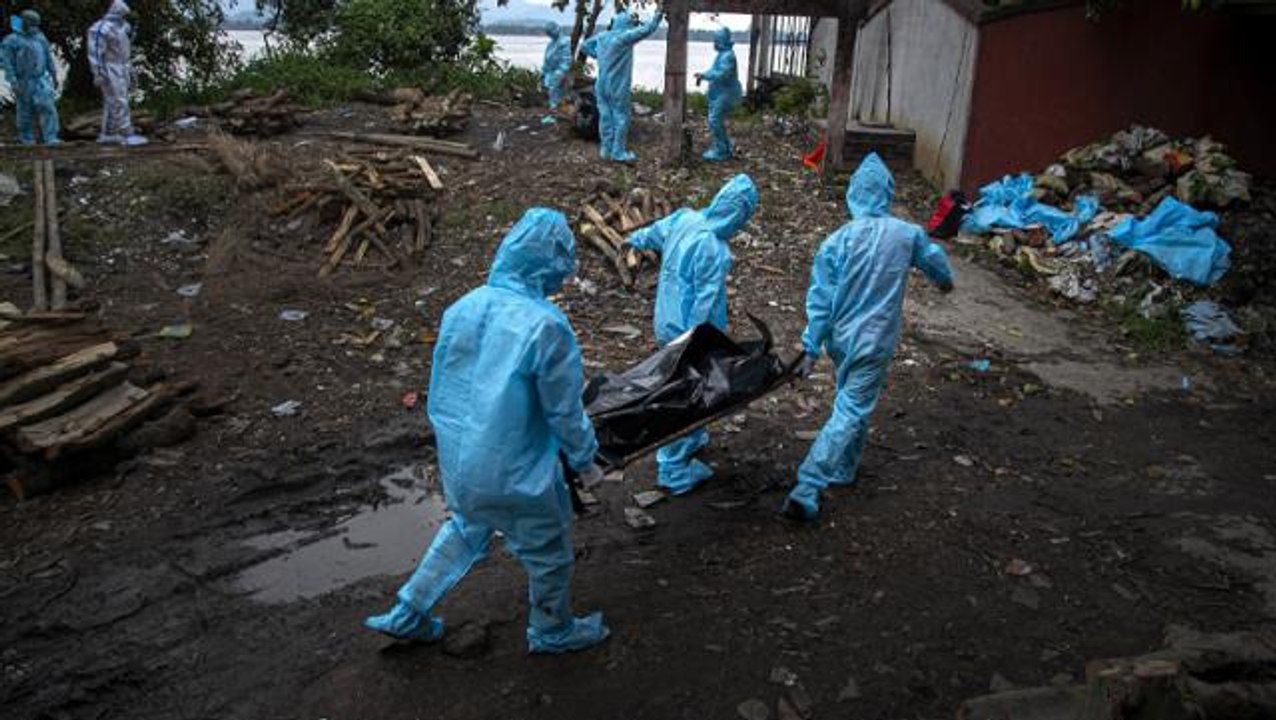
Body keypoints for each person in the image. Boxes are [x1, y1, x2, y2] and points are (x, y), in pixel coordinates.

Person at [365, 208, 610, 655]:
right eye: (563, 264)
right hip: (516, 471)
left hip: (460, 461)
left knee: (464, 529)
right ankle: (552, 630)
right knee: (547, 552)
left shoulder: (464, 306)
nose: (565, 275)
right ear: (548, 262)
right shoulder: (546, 326)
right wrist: (585, 459)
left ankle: (408, 611)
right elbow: (564, 412)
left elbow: (447, 387)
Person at [784, 153, 955, 522]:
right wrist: (944, 282)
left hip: (841, 340)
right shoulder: (906, 234)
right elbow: (936, 261)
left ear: (853, 194)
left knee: (853, 400)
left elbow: (820, 300)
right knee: (851, 407)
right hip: (875, 340)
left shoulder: (836, 241)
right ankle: (808, 485)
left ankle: (845, 467)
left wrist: (811, 348)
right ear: (887, 193)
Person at [626, 174, 759, 495]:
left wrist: (634, 241)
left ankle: (694, 437)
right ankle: (672, 468)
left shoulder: (686, 218)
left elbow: (654, 233)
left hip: (665, 321)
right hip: (690, 331)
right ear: (738, 215)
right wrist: (702, 342)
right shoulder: (714, 249)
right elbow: (705, 302)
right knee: (688, 394)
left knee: (679, 385)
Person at [580, 10, 662, 162]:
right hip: (617, 85)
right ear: (626, 25)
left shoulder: (602, 36)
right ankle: (618, 151)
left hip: (601, 84)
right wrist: (658, 15)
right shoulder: (624, 38)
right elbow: (648, 29)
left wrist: (597, 54)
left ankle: (605, 149)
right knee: (621, 116)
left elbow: (584, 46)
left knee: (605, 116)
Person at [88, 0, 147, 146]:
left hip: (122, 67)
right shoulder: (101, 28)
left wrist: (130, 69)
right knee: (119, 100)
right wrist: (98, 72)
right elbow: (95, 52)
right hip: (110, 67)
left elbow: (125, 49)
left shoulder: (122, 27)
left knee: (114, 101)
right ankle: (126, 133)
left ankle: (109, 132)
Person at [1, 10, 59, 145]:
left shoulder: (40, 37)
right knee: (24, 111)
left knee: (47, 106)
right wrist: (13, 81)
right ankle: (26, 139)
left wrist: (54, 74)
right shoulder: (11, 40)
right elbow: (7, 63)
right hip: (23, 80)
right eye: (32, 24)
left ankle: (51, 137)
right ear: (25, 23)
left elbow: (48, 57)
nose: (35, 28)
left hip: (41, 79)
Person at [695, 27, 742, 162]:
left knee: (714, 120)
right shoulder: (722, 54)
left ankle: (722, 151)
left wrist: (706, 76)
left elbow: (722, 74)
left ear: (721, 40)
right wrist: (704, 74)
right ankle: (722, 147)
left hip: (727, 94)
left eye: (715, 40)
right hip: (720, 93)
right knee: (715, 120)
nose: (713, 43)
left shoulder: (728, 56)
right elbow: (714, 70)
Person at [541, 22, 571, 122]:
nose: (549, 34)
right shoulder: (551, 43)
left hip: (559, 72)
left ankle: (557, 114)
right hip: (550, 72)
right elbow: (546, 59)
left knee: (557, 94)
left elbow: (566, 59)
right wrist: (543, 72)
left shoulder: (565, 42)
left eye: (550, 32)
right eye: (548, 33)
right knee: (552, 94)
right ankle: (554, 113)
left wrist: (561, 71)